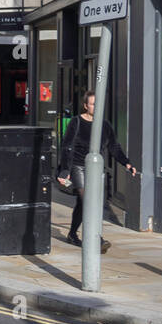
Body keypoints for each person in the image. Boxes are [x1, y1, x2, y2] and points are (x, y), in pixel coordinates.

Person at [58, 91, 138, 252]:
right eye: (92, 104)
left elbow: (114, 147)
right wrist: (65, 169)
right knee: (88, 201)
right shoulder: (77, 122)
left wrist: (126, 163)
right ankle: (97, 239)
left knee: (83, 203)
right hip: (78, 166)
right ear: (86, 105)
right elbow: (67, 146)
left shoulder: (105, 125)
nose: (95, 106)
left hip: (95, 169)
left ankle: (72, 234)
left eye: (97, 103)